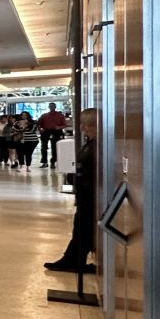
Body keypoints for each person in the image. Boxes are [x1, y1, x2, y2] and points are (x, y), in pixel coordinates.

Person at [46, 108, 98, 273]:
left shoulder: (97, 146)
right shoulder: (90, 144)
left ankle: (73, 259)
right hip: (85, 194)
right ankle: (72, 258)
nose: (82, 128)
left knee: (83, 227)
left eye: (85, 124)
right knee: (80, 226)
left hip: (91, 195)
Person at [38, 102, 68, 168]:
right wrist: (40, 129)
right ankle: (44, 162)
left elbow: (64, 125)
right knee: (44, 147)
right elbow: (38, 123)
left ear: (55, 107)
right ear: (48, 107)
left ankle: (53, 162)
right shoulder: (44, 115)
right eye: (50, 106)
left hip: (56, 131)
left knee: (54, 147)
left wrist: (59, 127)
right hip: (46, 131)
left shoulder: (60, 115)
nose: (51, 107)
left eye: (52, 106)